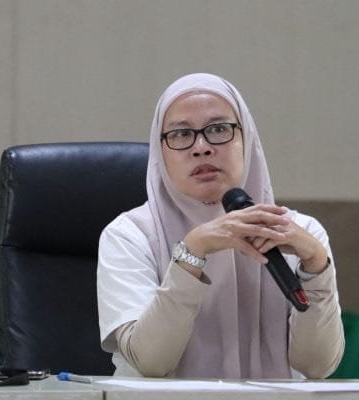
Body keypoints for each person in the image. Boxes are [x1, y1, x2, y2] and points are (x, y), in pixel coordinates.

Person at [97, 73, 344, 379]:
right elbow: (151, 362)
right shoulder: (129, 235)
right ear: (161, 152)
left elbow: (317, 366)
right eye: (181, 134)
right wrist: (192, 252)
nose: (201, 147)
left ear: (246, 139)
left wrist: (317, 267)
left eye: (218, 129)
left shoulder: (298, 233)